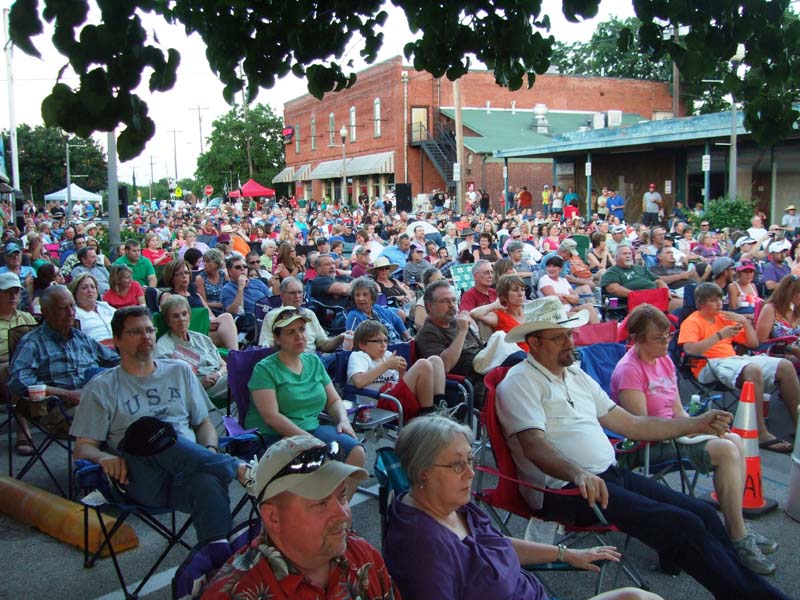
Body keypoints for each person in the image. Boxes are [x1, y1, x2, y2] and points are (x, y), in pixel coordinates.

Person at [495, 297, 789, 600]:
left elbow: (633, 425)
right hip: (565, 490)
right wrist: (577, 473)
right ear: (534, 342)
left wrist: (696, 424)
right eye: (559, 337)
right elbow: (534, 446)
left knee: (704, 513)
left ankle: (741, 587)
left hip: (605, 476)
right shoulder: (520, 383)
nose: (570, 342)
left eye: (569, 334)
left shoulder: (575, 375)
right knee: (683, 525)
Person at [384, 415, 660, 600]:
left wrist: (566, 553)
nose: (470, 473)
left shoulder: (454, 508)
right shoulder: (422, 546)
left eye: (470, 460)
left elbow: (494, 544)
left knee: (637, 597)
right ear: (422, 472)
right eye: (457, 465)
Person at [611, 304, 778, 574]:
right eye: (658, 338)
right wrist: (691, 428)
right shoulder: (629, 370)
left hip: (673, 432)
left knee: (734, 439)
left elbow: (678, 410)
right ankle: (738, 538)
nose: (666, 342)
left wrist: (700, 426)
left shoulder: (663, 359)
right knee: (726, 450)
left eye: (668, 335)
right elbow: (641, 427)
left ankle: (737, 526)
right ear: (637, 339)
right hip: (647, 445)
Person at [70, 306, 247, 543]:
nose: (146, 337)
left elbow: (203, 424)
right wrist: (103, 458)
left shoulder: (179, 371)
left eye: (149, 330)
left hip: (188, 471)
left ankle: (219, 555)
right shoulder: (102, 387)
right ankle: (238, 468)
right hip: (143, 480)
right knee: (149, 430)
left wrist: (210, 451)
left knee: (208, 481)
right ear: (117, 340)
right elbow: (82, 448)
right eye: (135, 332)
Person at [201, 435, 398, 598]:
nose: (343, 514)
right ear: (273, 517)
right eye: (321, 503)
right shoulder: (235, 593)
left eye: (342, 496)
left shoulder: (364, 556)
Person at [678, 282, 798, 453]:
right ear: (701, 303)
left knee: (785, 366)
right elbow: (690, 350)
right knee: (752, 370)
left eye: (720, 299)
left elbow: (753, 343)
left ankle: (798, 426)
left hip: (733, 360)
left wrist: (743, 321)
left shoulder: (724, 318)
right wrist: (720, 336)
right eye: (713, 300)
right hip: (709, 364)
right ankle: (760, 433)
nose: (719, 304)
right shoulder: (692, 321)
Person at [247, 306, 365, 472]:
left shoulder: (313, 362)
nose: (299, 336)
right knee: (320, 467)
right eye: (290, 332)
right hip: (276, 437)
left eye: (302, 329)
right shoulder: (265, 369)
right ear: (277, 339)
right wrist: (309, 440)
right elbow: (271, 417)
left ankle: (341, 491)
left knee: (356, 452)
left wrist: (343, 420)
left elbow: (333, 400)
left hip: (312, 429)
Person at [347, 319, 445, 420]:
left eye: (385, 340)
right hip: (380, 403)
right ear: (362, 345)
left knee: (435, 360)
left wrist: (402, 372)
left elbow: (399, 385)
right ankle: (429, 416)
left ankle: (440, 407)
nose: (384, 345)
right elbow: (359, 382)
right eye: (378, 341)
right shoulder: (359, 356)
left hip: (396, 399)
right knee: (423, 364)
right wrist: (386, 365)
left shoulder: (387, 355)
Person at [156, 295, 227, 402]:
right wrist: (201, 383)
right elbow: (170, 384)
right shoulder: (164, 348)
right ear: (168, 321)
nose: (182, 319)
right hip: (200, 391)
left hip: (221, 378)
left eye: (184, 314)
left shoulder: (202, 339)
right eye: (175, 316)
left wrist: (217, 374)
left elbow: (224, 365)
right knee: (245, 377)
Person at [160, 259, 239, 351]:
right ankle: (235, 354)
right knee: (227, 335)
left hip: (205, 332)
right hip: (187, 335)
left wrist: (209, 322)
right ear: (172, 278)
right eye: (179, 274)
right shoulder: (168, 296)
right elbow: (170, 320)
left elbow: (211, 316)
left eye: (186, 273)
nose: (184, 276)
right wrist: (204, 322)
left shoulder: (196, 296)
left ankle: (235, 353)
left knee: (226, 317)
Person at [0, 272, 37, 455]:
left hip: (30, 364)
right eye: (8, 292)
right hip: (4, 366)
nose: (14, 296)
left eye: (16, 291)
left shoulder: (27, 317)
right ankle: (22, 429)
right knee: (10, 369)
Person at [416, 279, 482, 381]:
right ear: (429, 306)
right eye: (445, 301)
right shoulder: (428, 333)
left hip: (483, 364)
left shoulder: (457, 322)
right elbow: (444, 366)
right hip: (471, 378)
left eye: (454, 300)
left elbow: (481, 347)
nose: (452, 305)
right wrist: (461, 332)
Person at [259, 276, 344, 351]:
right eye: (292, 293)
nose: (297, 296)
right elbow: (266, 348)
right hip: (286, 360)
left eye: (300, 292)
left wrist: (340, 338)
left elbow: (324, 344)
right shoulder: (272, 316)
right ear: (282, 296)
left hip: (312, 359)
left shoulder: (309, 314)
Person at [345, 277, 410, 344]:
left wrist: (408, 337)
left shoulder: (377, 308)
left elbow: (396, 320)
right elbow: (353, 342)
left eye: (365, 295)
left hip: (397, 344)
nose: (361, 298)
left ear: (372, 297)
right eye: (357, 295)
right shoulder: (353, 316)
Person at [537, 256, 599, 323]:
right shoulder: (544, 280)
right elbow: (555, 300)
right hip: (555, 312)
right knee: (582, 317)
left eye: (554, 266)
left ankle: (598, 329)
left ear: (560, 269)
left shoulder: (563, 280)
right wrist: (569, 298)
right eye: (549, 266)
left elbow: (577, 300)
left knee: (588, 306)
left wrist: (563, 295)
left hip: (570, 309)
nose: (550, 269)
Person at [70, 273, 116, 343]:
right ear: (75, 292)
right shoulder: (74, 313)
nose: (90, 290)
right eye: (84, 288)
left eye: (92, 287)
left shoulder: (105, 306)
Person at [195, 248, 228, 315]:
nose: (204, 264)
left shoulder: (224, 275)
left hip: (226, 308)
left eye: (208, 261)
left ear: (217, 263)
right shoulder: (200, 279)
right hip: (210, 311)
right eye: (204, 261)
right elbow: (203, 302)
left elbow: (229, 295)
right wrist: (219, 305)